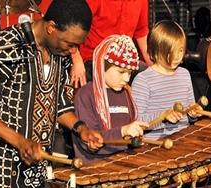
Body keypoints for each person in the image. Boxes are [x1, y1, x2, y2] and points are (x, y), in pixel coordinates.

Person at [0, 0, 104, 187]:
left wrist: (81, 129)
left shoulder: (60, 54)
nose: (72, 50)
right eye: (69, 43)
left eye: (77, 45)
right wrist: (20, 142)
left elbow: (59, 104)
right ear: (51, 27)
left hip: (35, 173)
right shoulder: (6, 45)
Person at [72, 34, 150, 165]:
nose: (126, 78)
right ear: (102, 67)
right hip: (95, 168)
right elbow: (90, 143)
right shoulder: (86, 95)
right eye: (121, 72)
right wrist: (123, 132)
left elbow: (127, 137)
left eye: (129, 73)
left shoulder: (126, 92)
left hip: (124, 164)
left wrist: (134, 137)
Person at [131, 20, 202, 140]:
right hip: (157, 142)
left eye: (180, 50)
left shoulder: (185, 74)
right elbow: (137, 121)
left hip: (183, 138)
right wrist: (163, 116)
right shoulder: (143, 80)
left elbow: (189, 115)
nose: (177, 56)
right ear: (156, 51)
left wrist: (193, 112)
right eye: (170, 52)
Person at [69, 0, 152, 88]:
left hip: (125, 61)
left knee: (147, 75)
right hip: (94, 59)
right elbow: (74, 26)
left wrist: (154, 66)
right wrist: (76, 60)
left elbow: (141, 31)